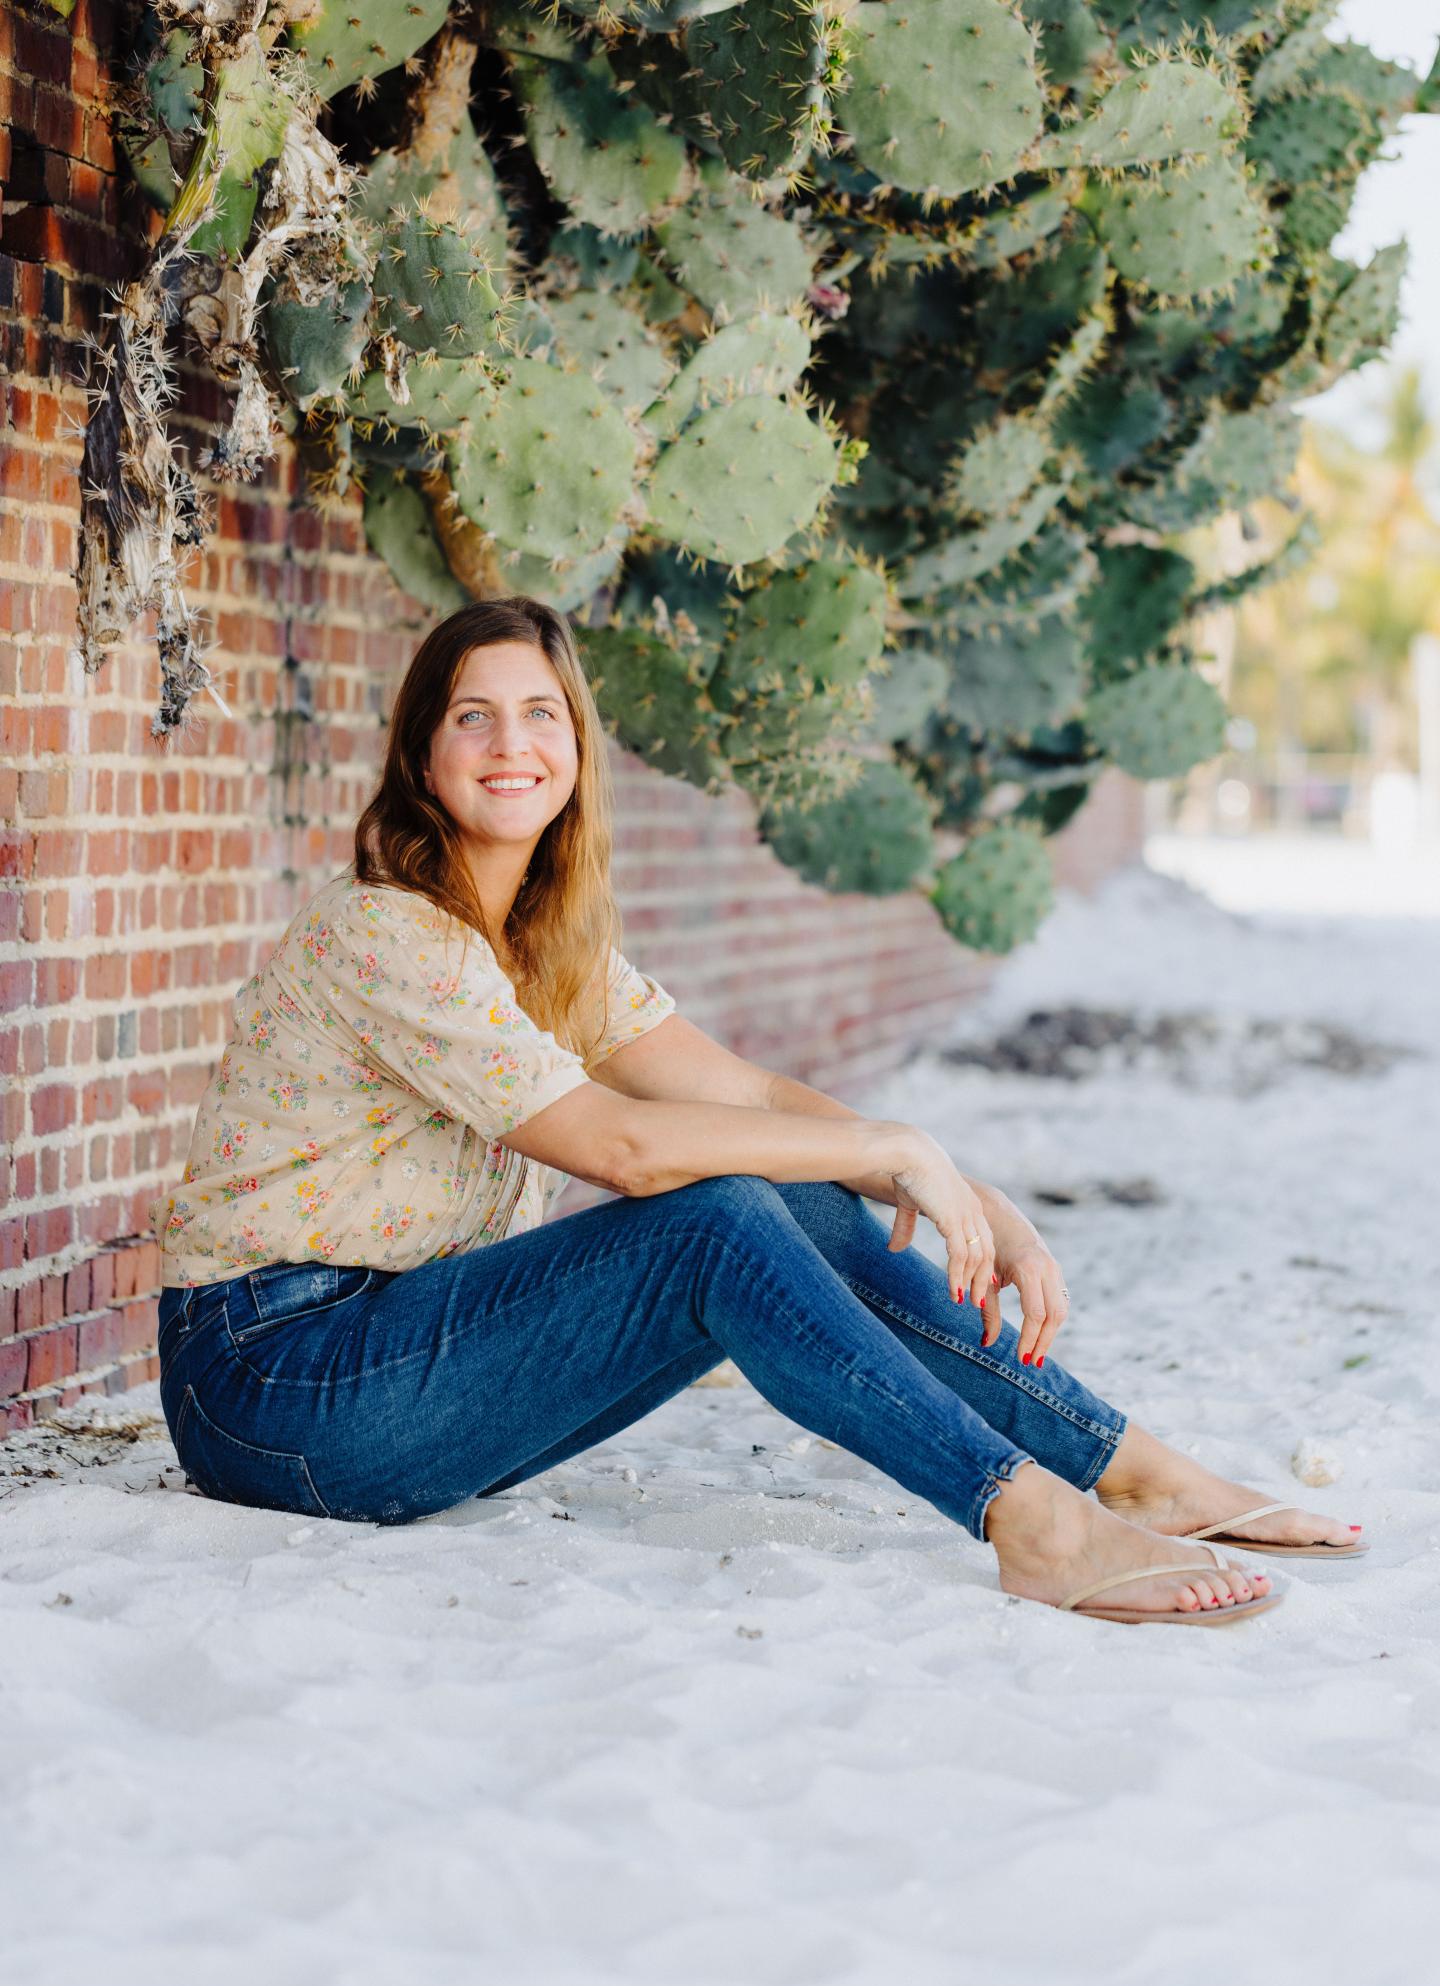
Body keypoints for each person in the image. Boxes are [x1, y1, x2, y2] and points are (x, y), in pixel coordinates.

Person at [153, 598, 1364, 1628]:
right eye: (472, 715)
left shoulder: (543, 946)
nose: (509, 743)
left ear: (577, 749)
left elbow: (746, 1095)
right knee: (712, 1219)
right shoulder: (390, 932)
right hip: (271, 1381)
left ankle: (1134, 1471)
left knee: (781, 1186)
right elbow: (620, 1148)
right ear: (422, 757)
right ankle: (1029, 1519)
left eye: (541, 714)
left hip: (397, 1356)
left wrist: (942, 1178)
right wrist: (892, 1148)